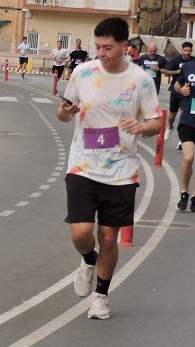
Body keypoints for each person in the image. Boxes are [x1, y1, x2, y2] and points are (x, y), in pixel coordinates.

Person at [56, 16, 161, 320]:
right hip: (83, 164)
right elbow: (63, 114)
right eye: (98, 46)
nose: (101, 53)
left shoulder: (140, 80)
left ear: (124, 47)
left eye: (108, 47)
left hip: (121, 171)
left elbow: (155, 123)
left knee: (108, 237)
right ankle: (88, 261)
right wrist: (65, 111)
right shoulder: (83, 72)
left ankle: (101, 296)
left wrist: (141, 126)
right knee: (81, 233)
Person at [170, 47, 195, 209]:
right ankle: (184, 192)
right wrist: (182, 90)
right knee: (188, 157)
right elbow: (176, 86)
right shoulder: (188, 67)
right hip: (188, 120)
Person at [162, 41, 192, 151]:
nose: (187, 52)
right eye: (185, 50)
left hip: (189, 94)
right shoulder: (176, 60)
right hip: (176, 91)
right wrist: (178, 71)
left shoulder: (193, 61)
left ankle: (183, 139)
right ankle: (170, 127)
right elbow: (165, 72)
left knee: (185, 115)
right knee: (171, 116)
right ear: (182, 50)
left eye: (189, 50)